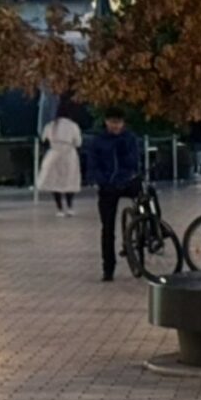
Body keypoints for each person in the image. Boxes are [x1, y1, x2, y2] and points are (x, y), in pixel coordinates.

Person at [85, 111, 144, 282]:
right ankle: (108, 267)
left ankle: (150, 229)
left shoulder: (129, 138)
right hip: (108, 185)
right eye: (112, 122)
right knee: (107, 227)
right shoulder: (99, 141)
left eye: (118, 122)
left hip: (128, 181)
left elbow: (134, 162)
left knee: (146, 196)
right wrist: (100, 180)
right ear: (106, 122)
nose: (115, 126)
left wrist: (129, 171)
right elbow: (93, 164)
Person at [39, 114, 83, 216]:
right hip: (69, 154)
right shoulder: (73, 125)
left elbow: (44, 139)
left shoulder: (50, 125)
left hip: (54, 153)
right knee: (70, 180)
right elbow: (78, 142)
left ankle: (59, 208)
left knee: (55, 181)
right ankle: (70, 206)